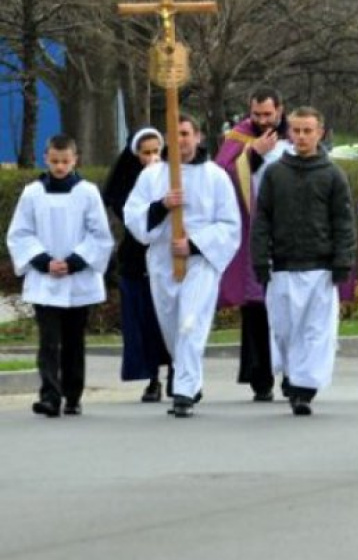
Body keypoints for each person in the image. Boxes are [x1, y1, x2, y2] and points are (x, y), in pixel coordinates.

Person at [124, 115, 241, 418]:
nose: (181, 141)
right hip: (163, 261)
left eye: (186, 134)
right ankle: (190, 377)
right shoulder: (152, 176)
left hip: (200, 262)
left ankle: (184, 392)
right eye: (175, 135)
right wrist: (161, 206)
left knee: (191, 323)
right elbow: (133, 215)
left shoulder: (215, 177)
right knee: (173, 327)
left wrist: (195, 244)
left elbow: (230, 226)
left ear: (198, 136)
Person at [251, 106, 356, 417]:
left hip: (319, 267)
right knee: (284, 330)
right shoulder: (275, 173)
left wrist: (342, 259)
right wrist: (259, 258)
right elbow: (262, 220)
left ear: (319, 133)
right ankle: (291, 374)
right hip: (283, 265)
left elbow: (343, 220)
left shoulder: (332, 174)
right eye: (296, 131)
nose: (301, 136)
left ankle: (304, 389)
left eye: (308, 131)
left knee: (315, 331)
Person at [6, 135, 114, 418]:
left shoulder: (87, 193)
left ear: (75, 159)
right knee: (49, 341)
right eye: (54, 161)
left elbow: (100, 235)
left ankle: (73, 395)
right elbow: (19, 233)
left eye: (65, 161)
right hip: (46, 280)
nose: (60, 167)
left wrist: (75, 261)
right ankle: (50, 396)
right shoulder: (32, 193)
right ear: (46, 158)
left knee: (74, 341)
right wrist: (43, 261)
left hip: (77, 279)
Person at [215, 87, 290, 403]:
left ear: (280, 110)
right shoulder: (239, 138)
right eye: (256, 114)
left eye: (267, 114)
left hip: (288, 232)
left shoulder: (295, 135)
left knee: (289, 306)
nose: (261, 120)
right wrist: (253, 154)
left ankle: (293, 374)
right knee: (257, 306)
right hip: (253, 230)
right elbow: (222, 176)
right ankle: (260, 377)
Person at [102, 127, 172, 403]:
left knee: (169, 317)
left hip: (168, 254)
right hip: (136, 256)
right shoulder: (129, 181)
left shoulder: (171, 175)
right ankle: (152, 377)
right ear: (136, 155)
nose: (153, 157)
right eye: (146, 152)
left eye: (157, 151)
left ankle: (178, 372)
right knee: (144, 321)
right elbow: (128, 212)